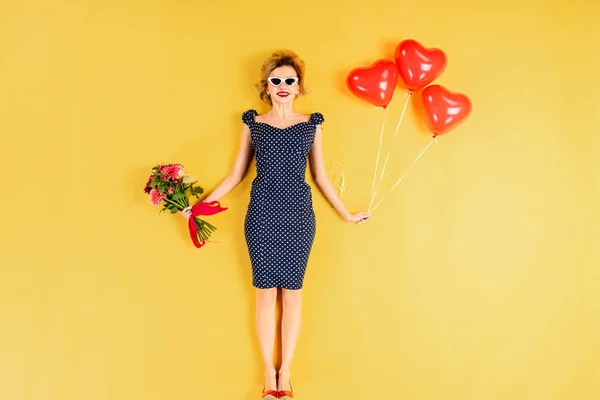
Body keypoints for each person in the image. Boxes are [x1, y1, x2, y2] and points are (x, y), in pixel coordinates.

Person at [182, 49, 370, 399]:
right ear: (266, 86)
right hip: (262, 214)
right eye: (276, 80)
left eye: (290, 80)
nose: (283, 85)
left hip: (299, 215)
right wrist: (198, 205)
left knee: (294, 296)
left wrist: (345, 213)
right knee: (266, 295)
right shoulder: (253, 123)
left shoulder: (311, 124)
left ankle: (286, 374)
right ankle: (269, 375)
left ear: (299, 87)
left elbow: (321, 176)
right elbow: (237, 174)